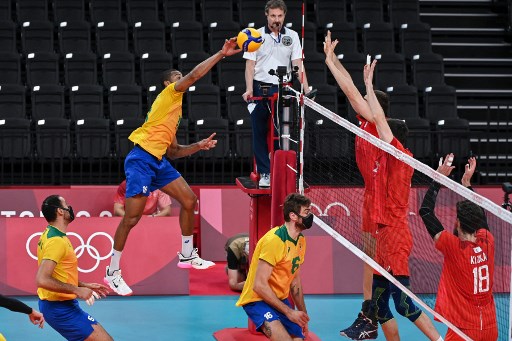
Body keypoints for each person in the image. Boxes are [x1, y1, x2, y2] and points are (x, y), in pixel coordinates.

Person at [104, 37, 241, 296]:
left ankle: (187, 254)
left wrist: (198, 146)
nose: (181, 78)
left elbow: (175, 151)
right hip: (141, 159)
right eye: (176, 76)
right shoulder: (169, 94)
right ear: (169, 83)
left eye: (180, 76)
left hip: (158, 161)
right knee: (131, 218)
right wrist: (221, 54)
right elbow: (193, 75)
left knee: (189, 200)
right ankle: (112, 272)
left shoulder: (173, 115)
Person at [339, 59, 443, 341]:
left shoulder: (400, 156)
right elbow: (364, 108)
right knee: (380, 307)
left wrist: (370, 87)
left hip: (395, 236)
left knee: (404, 304)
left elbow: (381, 124)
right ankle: (368, 319)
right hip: (383, 232)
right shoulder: (388, 156)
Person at [322, 30, 391, 336]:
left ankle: (372, 317)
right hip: (369, 197)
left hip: (381, 204)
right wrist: (331, 59)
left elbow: (352, 91)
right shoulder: (366, 122)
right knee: (368, 261)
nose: (362, 103)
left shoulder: (376, 124)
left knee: (373, 264)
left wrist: (332, 63)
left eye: (368, 101)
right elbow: (350, 88)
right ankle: (368, 316)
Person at [419, 155, 497, 341]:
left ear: (458, 223)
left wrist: (438, 179)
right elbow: (481, 216)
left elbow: (425, 211)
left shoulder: (452, 247)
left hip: (463, 330)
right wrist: (466, 183)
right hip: (490, 327)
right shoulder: (488, 241)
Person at [242, 0, 311, 188]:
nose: (276, 20)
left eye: (280, 16)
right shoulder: (255, 35)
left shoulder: (293, 36)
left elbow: (298, 64)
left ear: (284, 16)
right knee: (259, 131)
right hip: (260, 88)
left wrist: (306, 88)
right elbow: (250, 66)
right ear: (266, 15)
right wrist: (249, 89)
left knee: (285, 132)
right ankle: (265, 172)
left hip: (284, 88)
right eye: (273, 16)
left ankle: (283, 172)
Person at [236, 193, 312, 340]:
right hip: (257, 299)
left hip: (279, 299)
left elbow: (295, 284)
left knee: (298, 339)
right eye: (307, 212)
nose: (310, 217)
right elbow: (259, 286)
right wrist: (289, 312)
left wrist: (304, 316)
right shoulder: (275, 241)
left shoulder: (301, 241)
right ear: (293, 216)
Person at [36, 195, 112, 341]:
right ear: (60, 211)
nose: (69, 208)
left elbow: (59, 275)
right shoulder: (56, 242)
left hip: (62, 305)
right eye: (66, 205)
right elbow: (42, 279)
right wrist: (78, 290)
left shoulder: (51, 234)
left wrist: (83, 284)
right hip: (59, 309)